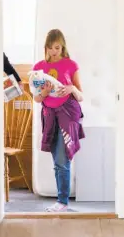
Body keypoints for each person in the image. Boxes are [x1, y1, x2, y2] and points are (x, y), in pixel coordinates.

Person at [31, 29, 84, 212]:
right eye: (50, 48)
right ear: (45, 48)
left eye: (57, 47)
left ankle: (62, 201)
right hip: (49, 116)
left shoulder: (70, 64)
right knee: (57, 160)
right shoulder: (39, 67)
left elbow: (81, 95)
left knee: (62, 159)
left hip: (68, 114)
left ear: (62, 47)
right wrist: (44, 92)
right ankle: (62, 200)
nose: (54, 51)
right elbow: (37, 99)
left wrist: (71, 89)